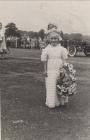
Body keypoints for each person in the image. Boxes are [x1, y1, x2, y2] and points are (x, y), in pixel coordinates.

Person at [41, 24, 68, 108]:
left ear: (58, 39)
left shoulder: (62, 49)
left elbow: (64, 60)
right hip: (50, 70)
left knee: (60, 84)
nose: (53, 40)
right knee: (51, 85)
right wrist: (45, 70)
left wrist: (64, 69)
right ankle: (52, 102)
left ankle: (61, 101)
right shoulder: (46, 49)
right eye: (52, 38)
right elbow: (44, 61)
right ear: (49, 39)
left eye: (55, 38)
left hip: (59, 69)